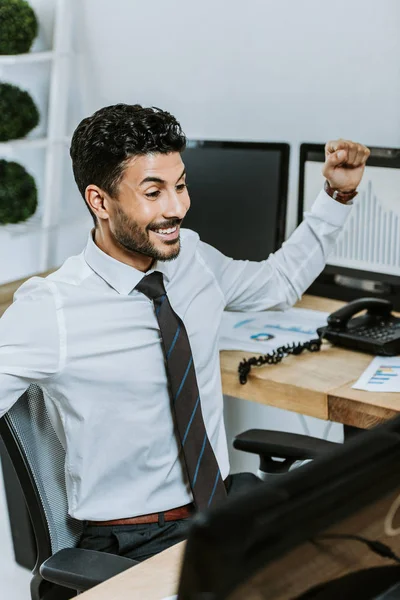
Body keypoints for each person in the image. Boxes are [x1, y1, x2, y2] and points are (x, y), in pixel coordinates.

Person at [0, 104, 370, 562]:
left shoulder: (190, 258)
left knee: (358, 554)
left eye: (180, 185)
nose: (178, 207)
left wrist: (336, 196)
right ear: (100, 201)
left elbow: (277, 284)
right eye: (154, 192)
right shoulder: (51, 307)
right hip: (132, 542)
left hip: (217, 513)